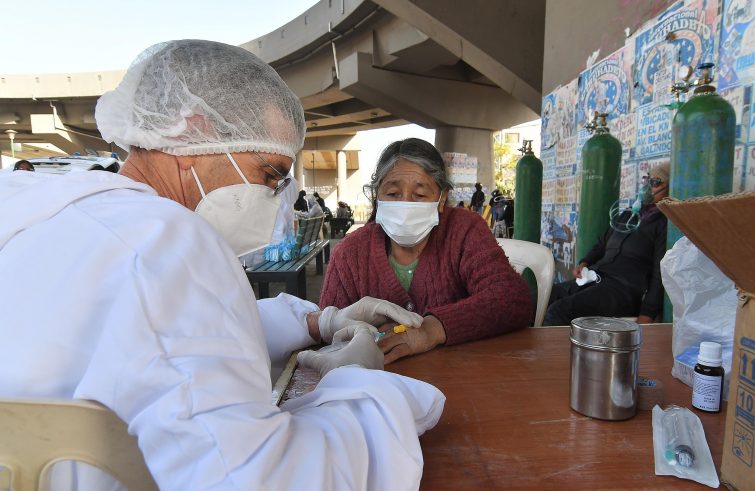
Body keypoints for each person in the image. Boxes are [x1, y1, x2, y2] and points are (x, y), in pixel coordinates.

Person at [0, 40, 445, 490]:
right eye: (269, 174)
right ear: (191, 131)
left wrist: (317, 321)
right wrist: (357, 383)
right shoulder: (165, 241)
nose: (275, 198)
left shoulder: (44, 212)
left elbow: (161, 336)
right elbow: (258, 479)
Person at [319, 138, 532, 364]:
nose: (405, 204)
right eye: (392, 194)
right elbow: (324, 333)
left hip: (460, 374)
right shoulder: (350, 253)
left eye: (420, 195)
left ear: (442, 198)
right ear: (377, 196)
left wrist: (433, 329)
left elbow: (513, 298)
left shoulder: (464, 231)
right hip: (377, 379)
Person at [544, 162, 670, 326]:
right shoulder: (629, 214)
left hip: (623, 289)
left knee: (558, 311)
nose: (647, 187)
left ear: (670, 187)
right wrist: (584, 262)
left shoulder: (664, 224)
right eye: (647, 180)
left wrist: (647, 314)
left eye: (655, 182)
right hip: (596, 277)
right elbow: (602, 244)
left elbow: (660, 273)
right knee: (541, 297)